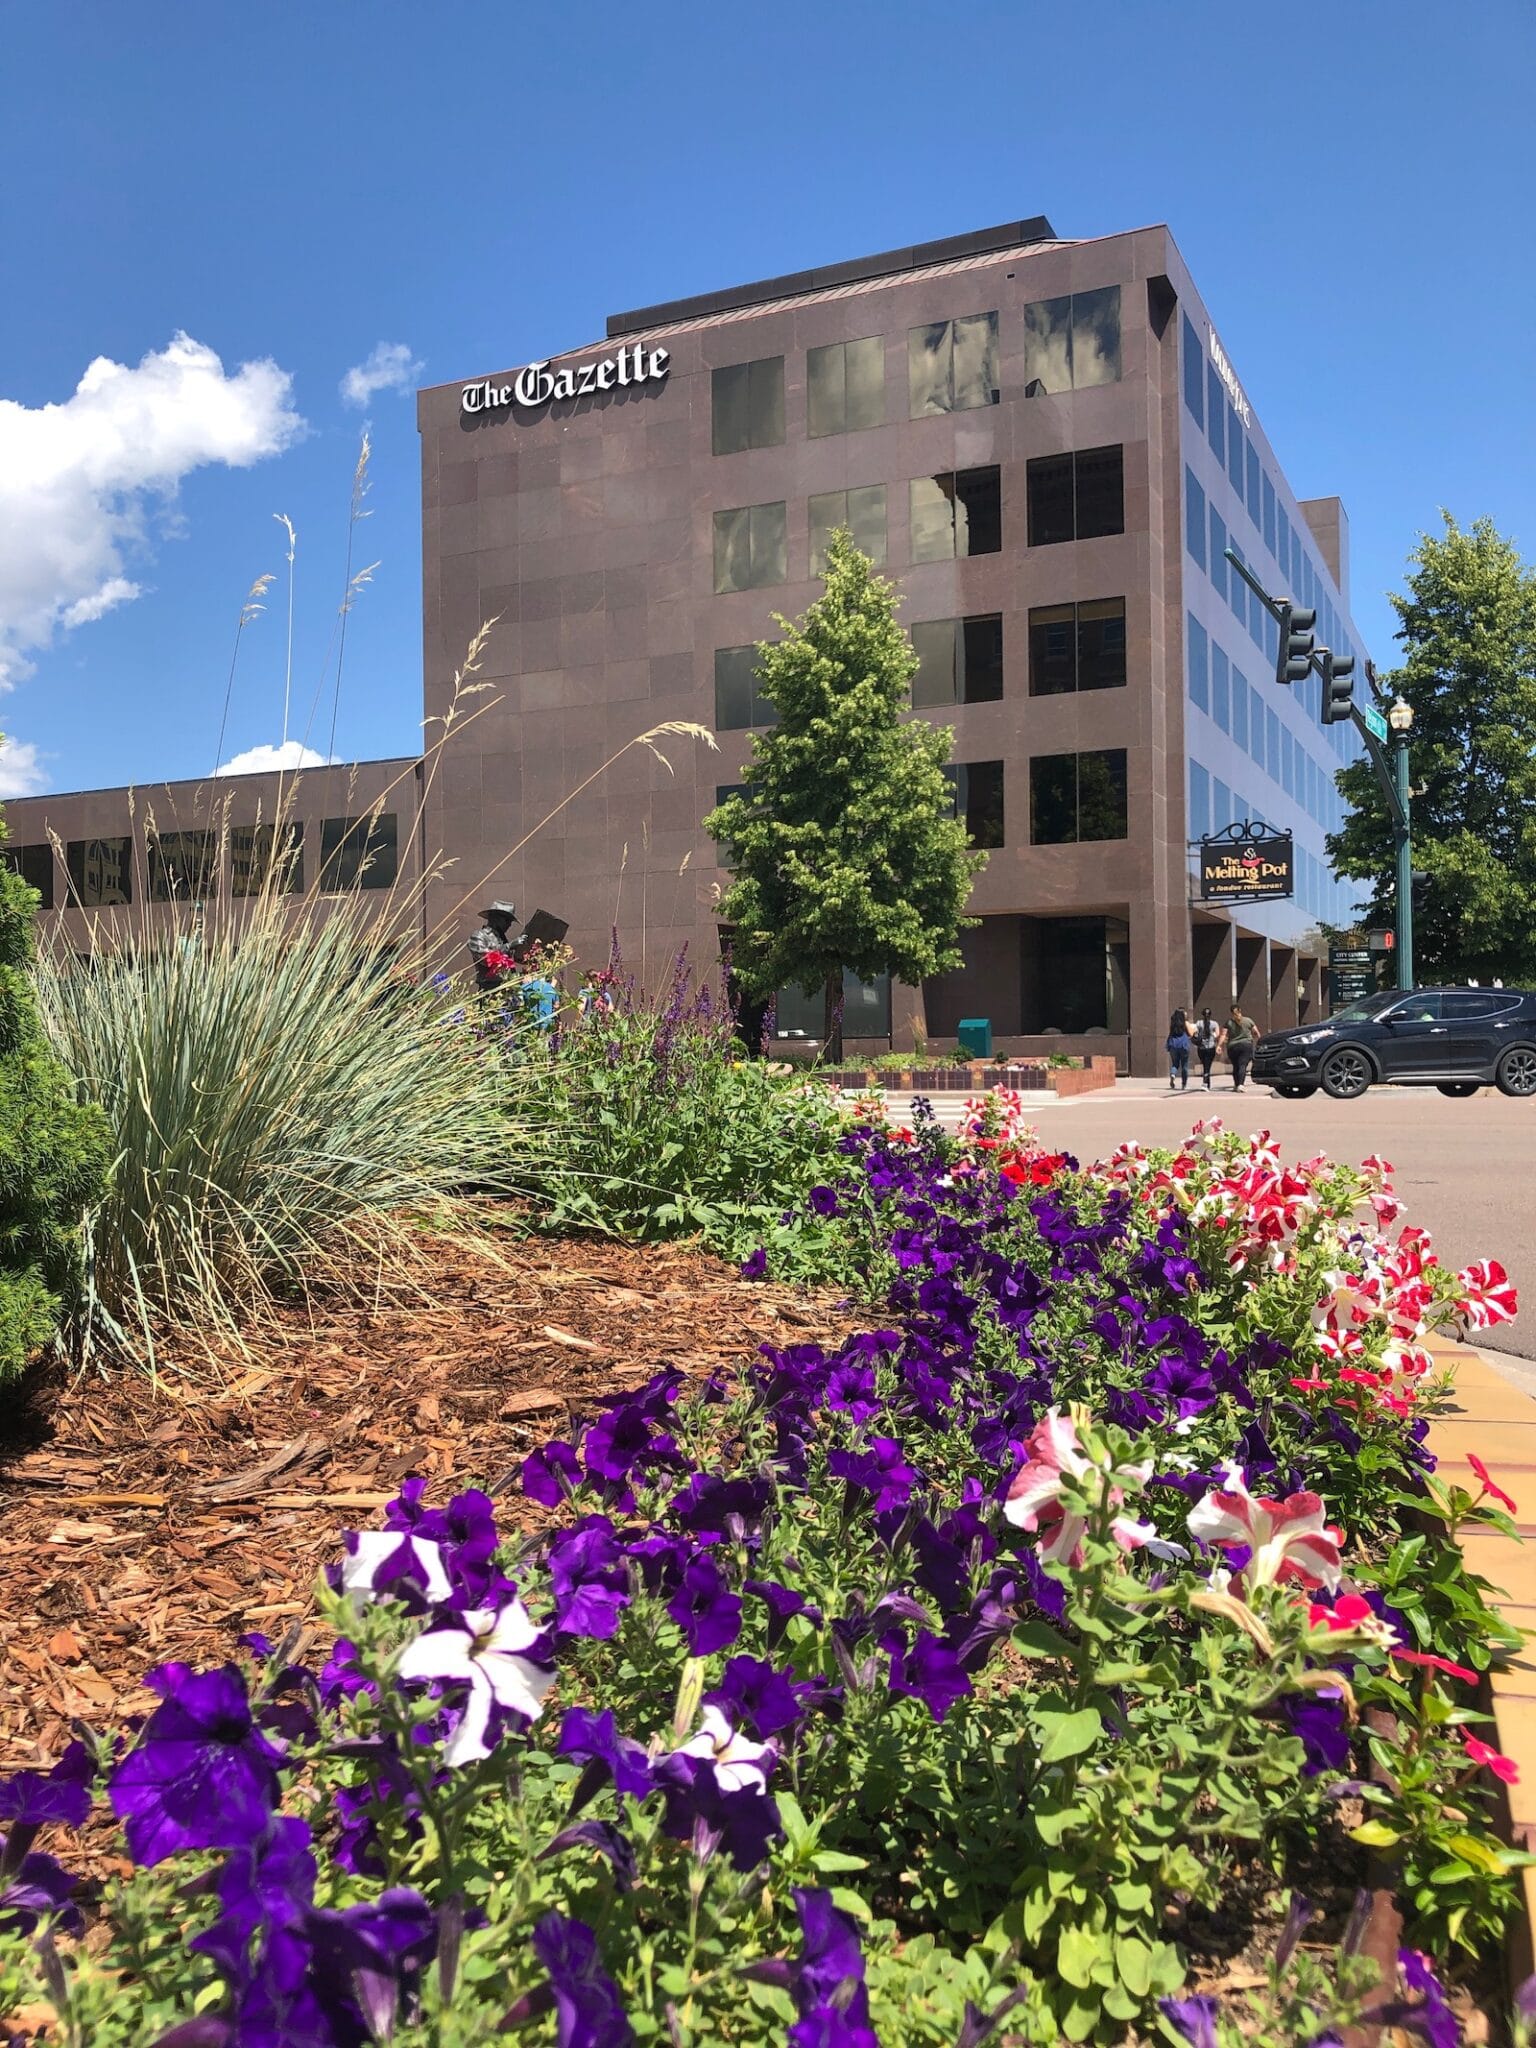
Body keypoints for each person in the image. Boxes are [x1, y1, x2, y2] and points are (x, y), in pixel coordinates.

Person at [467, 902, 518, 992]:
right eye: (507, 920)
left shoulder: (501, 938)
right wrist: (508, 946)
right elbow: (486, 958)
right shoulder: (479, 936)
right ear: (496, 918)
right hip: (489, 990)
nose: (509, 925)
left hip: (507, 989)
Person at [1226, 1003, 1258, 1092]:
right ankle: (1240, 1085)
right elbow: (1256, 1032)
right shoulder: (1248, 1021)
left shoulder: (1229, 1022)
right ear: (1240, 1010)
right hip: (1246, 1045)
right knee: (1242, 1065)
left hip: (1232, 1046)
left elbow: (1223, 1034)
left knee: (1235, 1066)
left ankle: (1236, 1085)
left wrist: (1219, 1045)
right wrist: (1257, 1040)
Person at [1191, 1007, 1221, 1090]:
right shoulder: (1214, 1024)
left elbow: (1195, 1033)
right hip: (1211, 1047)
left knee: (1205, 1065)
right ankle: (1205, 1084)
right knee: (1208, 1066)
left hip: (1201, 1048)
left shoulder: (1199, 1023)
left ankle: (1207, 1084)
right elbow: (1217, 1034)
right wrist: (1212, 1036)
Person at [1166, 1007, 1192, 1091]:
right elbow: (1190, 1033)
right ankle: (1184, 1084)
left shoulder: (1173, 1024)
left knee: (1175, 1063)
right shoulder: (1185, 1023)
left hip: (1173, 1044)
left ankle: (1173, 1074)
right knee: (1184, 1065)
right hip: (1183, 1044)